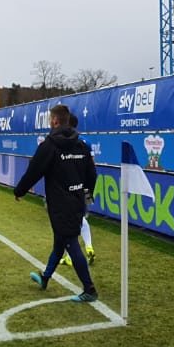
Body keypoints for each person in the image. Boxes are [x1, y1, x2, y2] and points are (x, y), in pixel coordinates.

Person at [14, 104, 98, 302]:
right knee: (60, 242)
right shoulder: (82, 146)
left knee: (70, 242)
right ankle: (45, 278)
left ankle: (90, 289)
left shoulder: (49, 145)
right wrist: (86, 197)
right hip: (77, 202)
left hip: (60, 205)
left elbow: (34, 171)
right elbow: (92, 175)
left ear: (54, 121)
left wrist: (20, 191)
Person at [68, 113, 96, 265]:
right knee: (81, 217)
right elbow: (93, 166)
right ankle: (89, 247)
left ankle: (71, 255)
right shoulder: (87, 142)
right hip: (86, 187)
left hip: (71, 188)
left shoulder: (66, 142)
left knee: (71, 221)